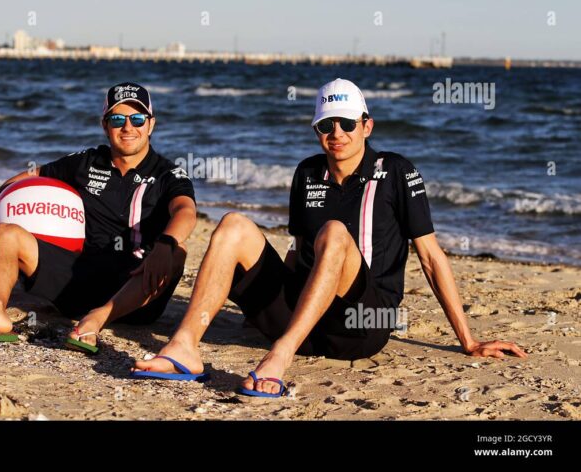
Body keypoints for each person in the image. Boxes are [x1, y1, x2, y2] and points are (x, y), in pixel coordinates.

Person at [131, 78, 526, 396]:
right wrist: (260, 309)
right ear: (317, 131)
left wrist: (469, 340)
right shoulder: (307, 173)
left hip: (360, 324)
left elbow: (431, 257)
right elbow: (297, 251)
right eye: (326, 125)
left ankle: (279, 358)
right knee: (233, 223)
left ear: (366, 126)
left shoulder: (398, 172)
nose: (337, 132)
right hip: (302, 320)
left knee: (335, 233)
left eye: (347, 123)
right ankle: (184, 347)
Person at [0, 82, 197, 352]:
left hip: (137, 292)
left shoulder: (168, 174)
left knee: (177, 250)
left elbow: (185, 211)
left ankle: (97, 319)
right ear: (105, 125)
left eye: (137, 119)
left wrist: (164, 245)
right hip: (76, 281)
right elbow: (32, 176)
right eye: (117, 119)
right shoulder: (87, 161)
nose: (128, 127)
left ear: (150, 125)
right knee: (7, 232)